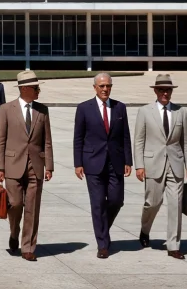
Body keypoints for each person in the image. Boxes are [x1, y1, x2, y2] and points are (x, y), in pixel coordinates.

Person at [133, 74, 187, 260]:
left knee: (175, 205)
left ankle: (173, 245)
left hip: (175, 164)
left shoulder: (180, 112)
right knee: (152, 203)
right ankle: (145, 230)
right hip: (152, 164)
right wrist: (139, 165)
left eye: (168, 90)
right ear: (155, 91)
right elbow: (138, 141)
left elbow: (186, 141)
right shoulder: (145, 111)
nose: (165, 93)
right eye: (161, 90)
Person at [0, 70, 53, 262]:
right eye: (36, 88)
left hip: (35, 165)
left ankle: (28, 247)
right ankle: (14, 232)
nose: (38, 91)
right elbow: (0, 141)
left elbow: (47, 141)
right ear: (25, 88)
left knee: (33, 208)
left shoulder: (42, 110)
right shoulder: (6, 109)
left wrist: (49, 166)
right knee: (16, 204)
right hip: (12, 165)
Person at [73, 73, 132, 259]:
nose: (105, 89)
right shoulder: (84, 108)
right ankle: (103, 244)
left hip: (116, 162)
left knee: (116, 200)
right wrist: (78, 163)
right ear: (95, 88)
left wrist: (128, 161)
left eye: (108, 86)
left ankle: (102, 227)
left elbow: (125, 137)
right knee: (98, 204)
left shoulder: (120, 107)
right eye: (102, 86)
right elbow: (78, 138)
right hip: (93, 163)